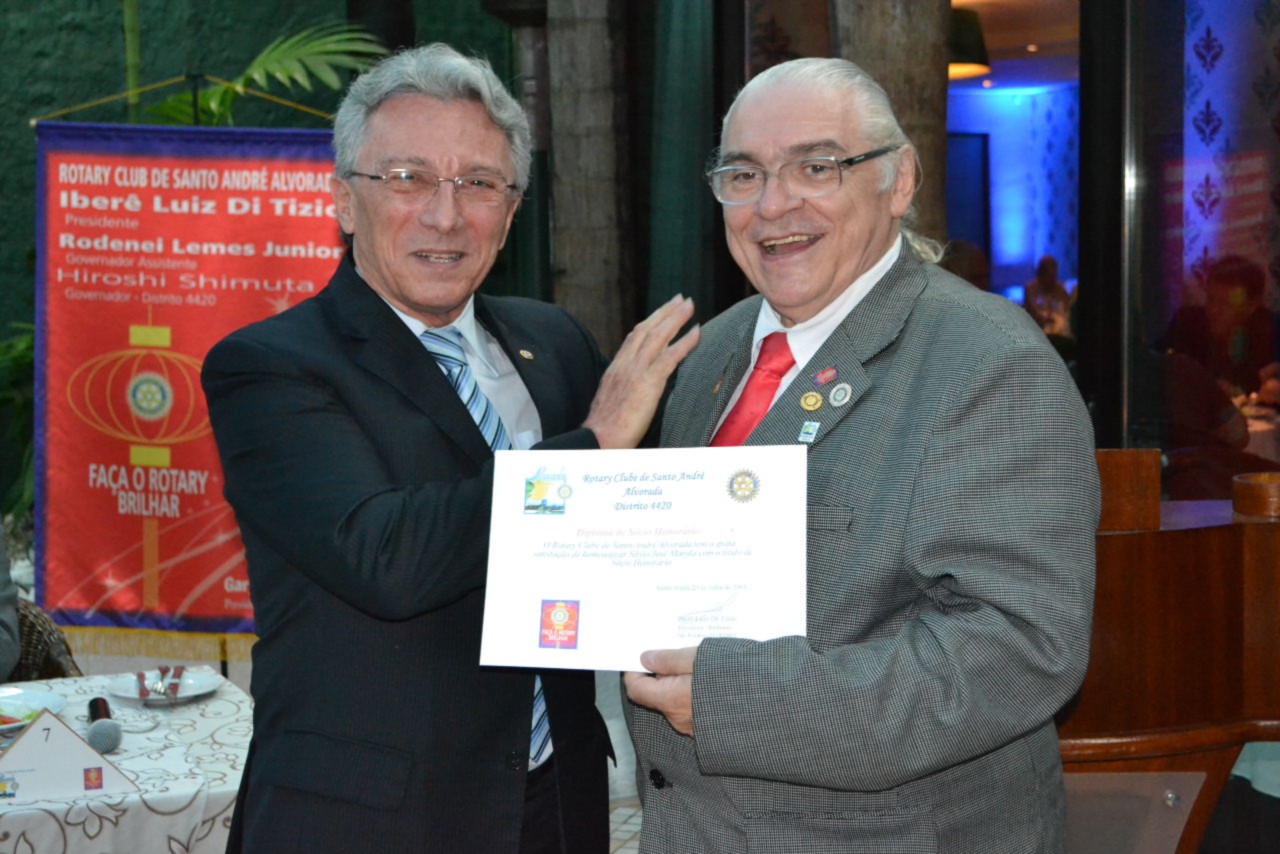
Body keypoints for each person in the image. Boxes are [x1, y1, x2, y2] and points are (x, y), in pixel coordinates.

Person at [202, 43, 697, 854]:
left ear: (512, 210)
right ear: (345, 200)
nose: (445, 214)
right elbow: (385, 556)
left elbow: (638, 532)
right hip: (368, 824)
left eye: (479, 183)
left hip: (555, 805)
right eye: (408, 178)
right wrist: (594, 444)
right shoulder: (270, 366)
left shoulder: (556, 343)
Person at [623, 57, 1099, 853]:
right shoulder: (710, 355)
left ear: (898, 180)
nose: (773, 204)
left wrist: (737, 701)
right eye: (743, 174)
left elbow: (1018, 651)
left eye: (816, 167)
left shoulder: (988, 359)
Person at [1024, 253, 1073, 337]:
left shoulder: (1060, 290)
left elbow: (1066, 313)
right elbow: (1032, 314)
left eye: (1055, 274)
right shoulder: (1030, 289)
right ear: (1041, 274)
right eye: (1050, 275)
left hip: (1058, 335)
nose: (1054, 278)